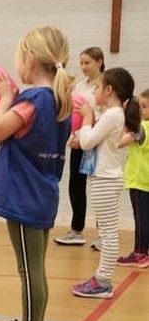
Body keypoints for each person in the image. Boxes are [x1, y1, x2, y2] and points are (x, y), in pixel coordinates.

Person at [0, 26, 73, 321]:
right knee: (34, 268)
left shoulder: (35, 99)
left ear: (30, 59)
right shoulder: (59, 101)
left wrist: (4, 97)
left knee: (29, 270)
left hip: (24, 197)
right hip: (41, 194)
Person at [69, 68, 139, 297]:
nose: (94, 91)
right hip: (103, 178)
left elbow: (89, 142)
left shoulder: (113, 114)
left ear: (109, 90)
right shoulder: (112, 114)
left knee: (108, 233)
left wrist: (87, 119)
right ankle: (102, 278)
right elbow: (92, 141)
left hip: (106, 180)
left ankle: (103, 281)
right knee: (108, 232)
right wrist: (79, 137)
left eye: (97, 87)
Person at [55, 46, 104, 246]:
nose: (83, 67)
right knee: (76, 185)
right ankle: (77, 231)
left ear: (99, 61)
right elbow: (73, 113)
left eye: (88, 63)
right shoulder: (80, 86)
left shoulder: (107, 85)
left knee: (100, 188)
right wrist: (75, 137)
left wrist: (89, 131)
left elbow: (106, 115)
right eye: (81, 63)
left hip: (97, 142)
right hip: (79, 142)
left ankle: (104, 235)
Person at [115, 88, 149, 269]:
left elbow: (119, 142)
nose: (141, 110)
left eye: (144, 107)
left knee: (141, 218)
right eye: (140, 106)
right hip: (145, 181)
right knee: (145, 218)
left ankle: (141, 254)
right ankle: (143, 251)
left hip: (139, 181)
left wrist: (125, 114)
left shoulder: (142, 129)